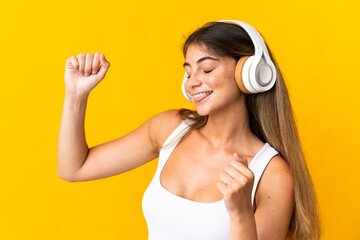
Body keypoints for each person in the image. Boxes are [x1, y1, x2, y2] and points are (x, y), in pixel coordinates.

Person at [57, 20, 321, 240]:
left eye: (206, 69)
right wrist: (75, 95)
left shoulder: (272, 174)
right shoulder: (168, 129)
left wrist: (241, 213)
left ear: (248, 72)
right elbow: (73, 168)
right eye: (188, 72)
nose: (193, 82)